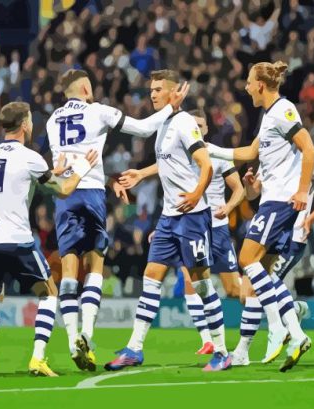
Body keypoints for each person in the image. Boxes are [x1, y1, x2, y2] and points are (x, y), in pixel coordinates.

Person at [46, 69, 188, 371]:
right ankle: (87, 332)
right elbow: (144, 128)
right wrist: (170, 106)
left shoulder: (51, 120)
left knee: (69, 268)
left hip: (64, 195)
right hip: (91, 193)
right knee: (96, 262)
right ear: (86, 87)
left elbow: (64, 163)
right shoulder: (98, 111)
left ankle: (73, 340)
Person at [104, 70, 230, 372]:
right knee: (151, 278)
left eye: (159, 89)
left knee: (201, 284)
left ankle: (222, 351)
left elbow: (205, 164)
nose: (153, 94)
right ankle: (134, 348)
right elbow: (166, 162)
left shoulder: (186, 122)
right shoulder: (163, 123)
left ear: (174, 92)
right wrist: (141, 173)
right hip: (169, 217)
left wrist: (197, 194)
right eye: (151, 89)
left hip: (193, 216)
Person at [0, 101, 97, 377]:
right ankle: (38, 359)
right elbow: (64, 191)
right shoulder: (29, 156)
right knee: (49, 293)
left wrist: (56, 170)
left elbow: (21, 181)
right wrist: (81, 170)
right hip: (17, 239)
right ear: (25, 124)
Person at [207, 60, 314, 370]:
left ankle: (288, 329)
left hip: (281, 201)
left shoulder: (283, 110)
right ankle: (249, 348)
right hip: (273, 198)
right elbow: (249, 153)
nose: (244, 86)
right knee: (257, 282)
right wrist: (207, 147)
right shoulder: (269, 116)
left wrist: (301, 190)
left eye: (248, 81)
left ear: (260, 85)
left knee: (246, 260)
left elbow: (308, 149)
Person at [121, 109, 244, 355]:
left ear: (206, 129)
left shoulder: (215, 154)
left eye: (200, 125)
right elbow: (163, 165)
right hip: (181, 221)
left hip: (214, 227)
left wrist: (228, 207)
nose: (195, 128)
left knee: (231, 290)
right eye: (193, 124)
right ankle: (207, 340)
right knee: (186, 281)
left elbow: (238, 189)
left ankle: (283, 307)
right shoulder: (177, 149)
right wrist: (143, 176)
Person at [232, 153, 314, 369]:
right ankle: (294, 311)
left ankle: (293, 334)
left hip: (293, 235)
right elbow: (254, 194)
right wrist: (249, 185)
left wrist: (310, 219)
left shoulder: (310, 156)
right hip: (270, 231)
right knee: (248, 293)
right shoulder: (272, 150)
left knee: (263, 284)